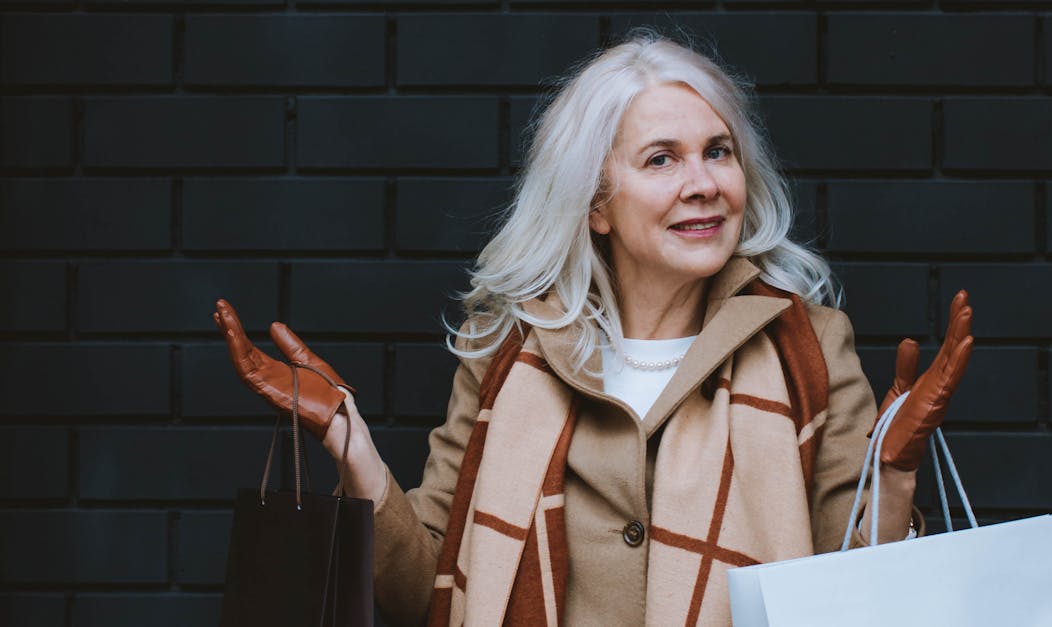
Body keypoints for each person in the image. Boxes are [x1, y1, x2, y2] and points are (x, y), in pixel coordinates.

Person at [213, 31, 974, 627]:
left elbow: (852, 593)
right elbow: (429, 593)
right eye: (661, 159)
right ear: (597, 205)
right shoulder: (513, 352)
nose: (703, 182)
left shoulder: (808, 343)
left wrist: (894, 472)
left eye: (718, 152)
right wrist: (352, 445)